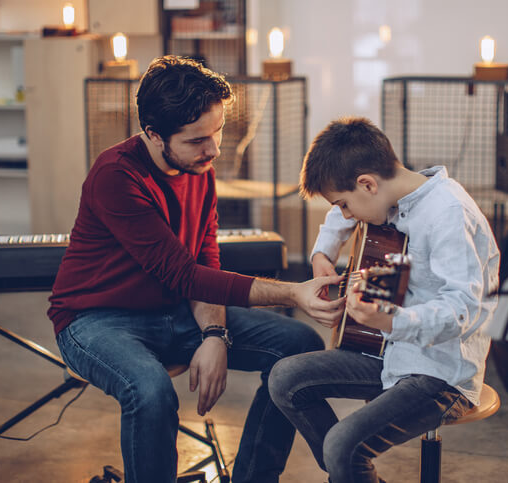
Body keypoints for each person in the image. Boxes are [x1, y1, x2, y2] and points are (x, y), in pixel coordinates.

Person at [48, 56, 343, 483]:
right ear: (153, 134)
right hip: (94, 319)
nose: (215, 149)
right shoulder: (115, 175)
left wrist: (215, 334)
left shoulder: (197, 166)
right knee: (149, 391)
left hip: (174, 311)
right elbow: (185, 276)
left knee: (297, 345)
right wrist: (293, 293)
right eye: (198, 140)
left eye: (218, 132)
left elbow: (204, 256)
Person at [268, 117, 500, 483]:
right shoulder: (392, 196)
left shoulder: (448, 214)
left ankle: (346, 468)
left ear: (367, 184)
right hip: (389, 354)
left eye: (345, 204)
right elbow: (340, 215)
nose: (345, 215)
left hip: (440, 374)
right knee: (285, 379)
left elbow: (464, 309)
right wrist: (321, 253)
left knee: (342, 446)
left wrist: (391, 321)